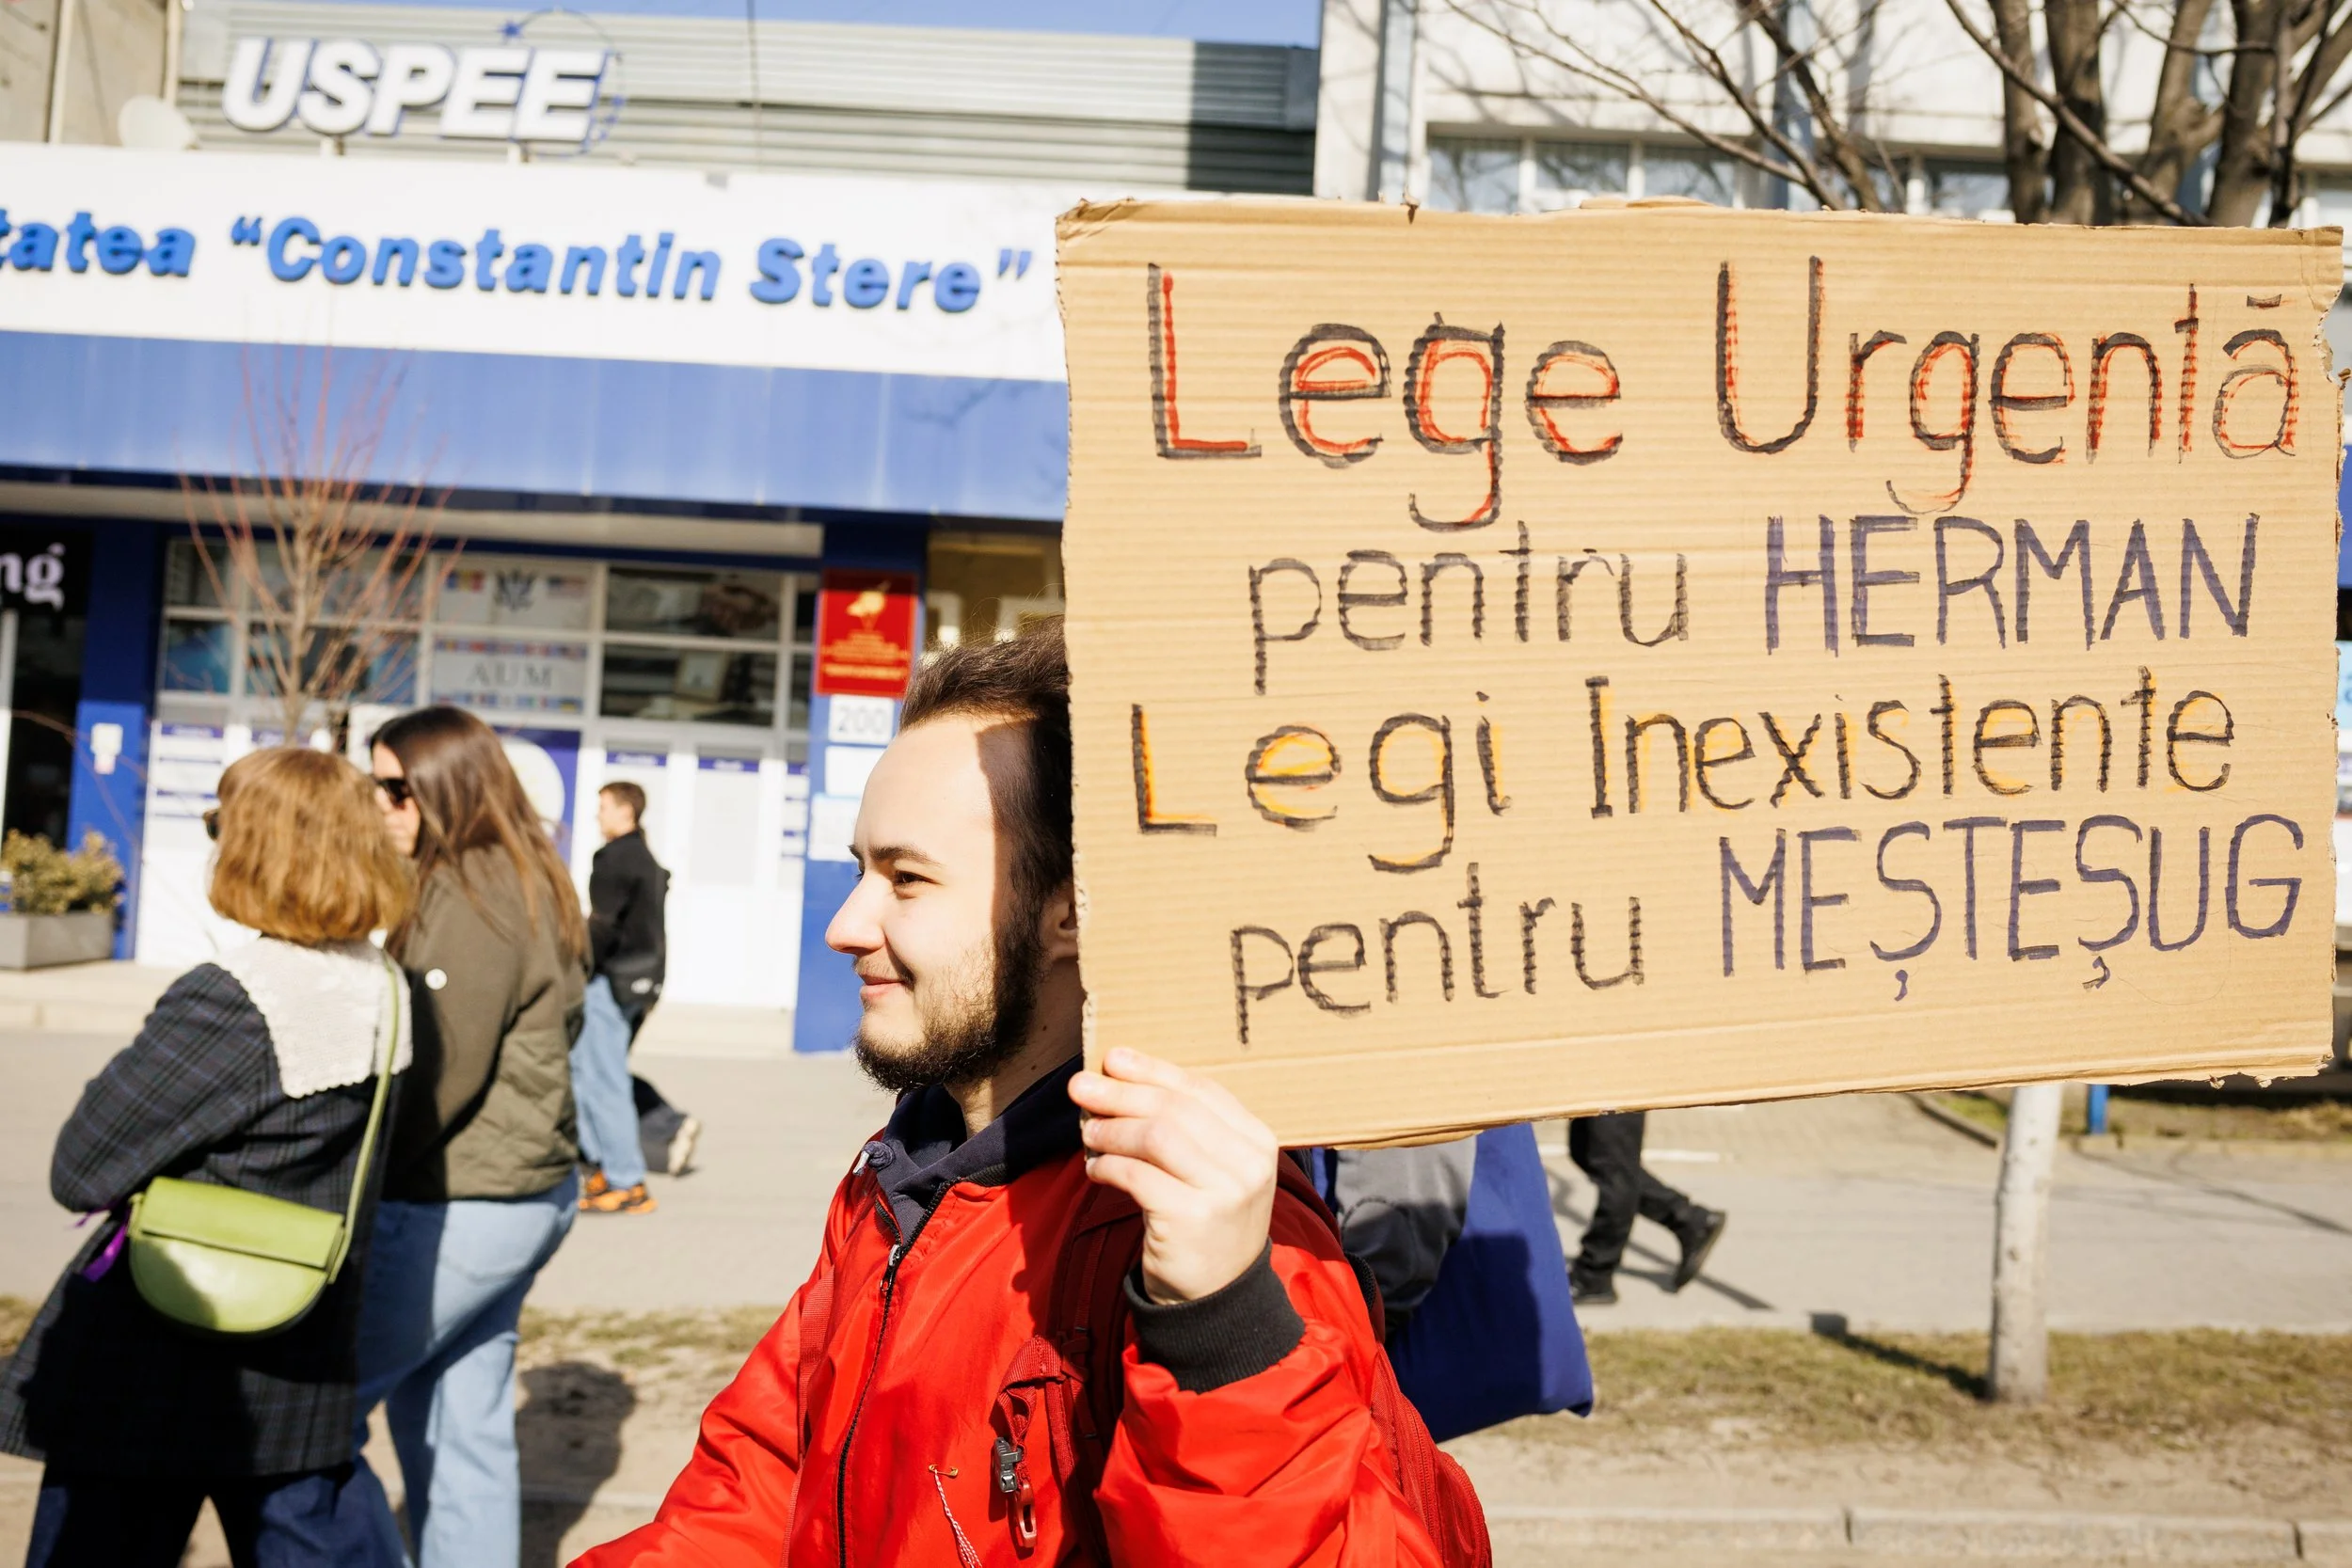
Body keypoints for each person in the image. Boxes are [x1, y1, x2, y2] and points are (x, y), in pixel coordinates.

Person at [575, 622, 1455, 1566]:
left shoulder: (1214, 1239)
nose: (846, 924)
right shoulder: (901, 1175)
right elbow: (757, 1487)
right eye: (861, 869)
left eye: (907, 878)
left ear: (1070, 911)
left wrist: (1221, 1332)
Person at [0, 747, 413, 1567]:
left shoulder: (237, 996)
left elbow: (81, 1167)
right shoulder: (384, 984)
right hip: (301, 1350)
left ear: (257, 848)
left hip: (160, 1355)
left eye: (223, 826)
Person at [351, 705, 588, 1568]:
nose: (379, 806)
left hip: (462, 1201)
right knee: (460, 1426)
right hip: (515, 1192)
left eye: (395, 789)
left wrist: (356, 1184)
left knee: (314, 1419)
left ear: (446, 787)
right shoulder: (521, 871)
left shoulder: (472, 889)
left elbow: (437, 1076)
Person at [575, 780, 687, 1215]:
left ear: (626, 811)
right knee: (585, 1071)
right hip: (639, 981)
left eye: (603, 806)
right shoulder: (644, 856)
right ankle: (603, 1168)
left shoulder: (614, 858)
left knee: (602, 1080)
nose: (598, 815)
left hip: (612, 980)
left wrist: (576, 965)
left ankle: (626, 1182)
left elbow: (602, 926)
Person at [1565, 1111, 1726, 1305]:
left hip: (1613, 1093)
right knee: (1586, 1150)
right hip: (1595, 1092)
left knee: (1614, 1170)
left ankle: (1594, 1274)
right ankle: (1688, 1219)